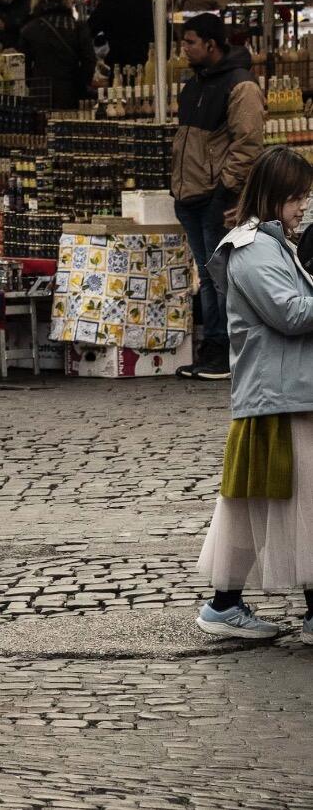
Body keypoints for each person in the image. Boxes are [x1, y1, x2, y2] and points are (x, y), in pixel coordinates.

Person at [195, 147, 313, 643]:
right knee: (289, 502)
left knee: (265, 502)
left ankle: (225, 604)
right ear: (273, 195)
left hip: (282, 394)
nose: (303, 205)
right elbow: (289, 313)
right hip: (278, 397)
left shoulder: (269, 244)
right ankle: (227, 605)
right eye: (296, 196)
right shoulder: (254, 249)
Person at [172, 13, 266, 382]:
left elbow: (248, 144)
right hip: (190, 194)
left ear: (211, 44)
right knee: (208, 275)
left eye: (190, 41)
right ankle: (213, 347)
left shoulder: (241, 85)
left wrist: (225, 191)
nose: (184, 48)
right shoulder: (194, 83)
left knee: (221, 277)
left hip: (217, 197)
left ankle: (225, 350)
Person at [19, 0, 97, 111]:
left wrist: (33, 83)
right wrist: (81, 85)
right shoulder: (77, 28)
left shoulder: (30, 29)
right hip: (70, 92)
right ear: (66, 0)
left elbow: (23, 65)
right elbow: (89, 60)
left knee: (41, 122)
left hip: (40, 92)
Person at [88, 0, 155, 73]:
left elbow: (87, 32)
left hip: (121, 69)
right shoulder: (147, 3)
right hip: (151, 67)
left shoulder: (106, 7)